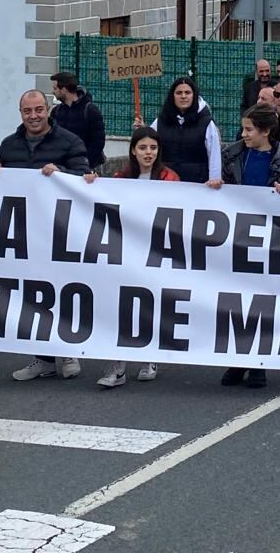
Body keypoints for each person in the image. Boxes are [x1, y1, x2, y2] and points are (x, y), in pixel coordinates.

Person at [0, 89, 91, 383]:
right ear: (20, 113)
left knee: (59, 291)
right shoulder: (9, 145)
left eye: (39, 110)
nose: (34, 116)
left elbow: (83, 175)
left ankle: (66, 349)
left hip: (60, 232)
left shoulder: (69, 141)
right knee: (32, 296)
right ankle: (43, 357)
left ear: (48, 109)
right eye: (28, 111)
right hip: (24, 234)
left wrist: (61, 171)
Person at [219, 103, 280, 390]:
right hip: (240, 237)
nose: (243, 134)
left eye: (249, 129)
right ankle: (239, 358)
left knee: (265, 302)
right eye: (243, 128)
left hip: (274, 241)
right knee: (237, 301)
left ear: (266, 131)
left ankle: (260, 362)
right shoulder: (231, 156)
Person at [86, 127, 175, 388]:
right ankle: (117, 366)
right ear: (133, 150)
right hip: (126, 253)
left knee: (148, 305)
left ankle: (149, 357)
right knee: (121, 306)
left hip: (156, 253)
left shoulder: (169, 178)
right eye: (143, 148)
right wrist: (91, 184)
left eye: (153, 148)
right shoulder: (120, 177)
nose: (148, 153)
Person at [155, 77, 222, 185]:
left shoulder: (206, 123)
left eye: (187, 92)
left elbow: (214, 153)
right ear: (172, 96)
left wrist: (215, 178)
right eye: (179, 93)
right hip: (166, 184)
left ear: (194, 95)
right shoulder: (160, 121)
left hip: (197, 185)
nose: (183, 96)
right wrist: (142, 131)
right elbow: (150, 143)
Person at [50, 71, 107, 169]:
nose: (53, 92)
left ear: (63, 89)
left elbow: (98, 141)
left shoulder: (90, 110)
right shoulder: (56, 112)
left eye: (55, 88)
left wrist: (86, 163)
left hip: (86, 168)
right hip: (63, 166)